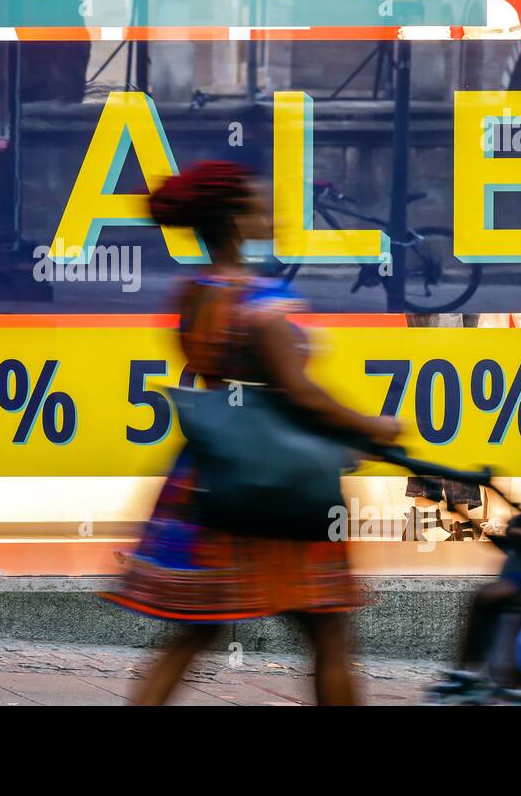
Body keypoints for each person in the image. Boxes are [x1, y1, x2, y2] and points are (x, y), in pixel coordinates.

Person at [103, 161, 399, 705]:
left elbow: (236, 378)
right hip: (283, 482)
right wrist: (373, 425)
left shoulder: (194, 291)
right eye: (261, 207)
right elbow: (299, 392)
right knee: (328, 632)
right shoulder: (262, 302)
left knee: (194, 631)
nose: (272, 215)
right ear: (236, 223)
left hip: (214, 476)